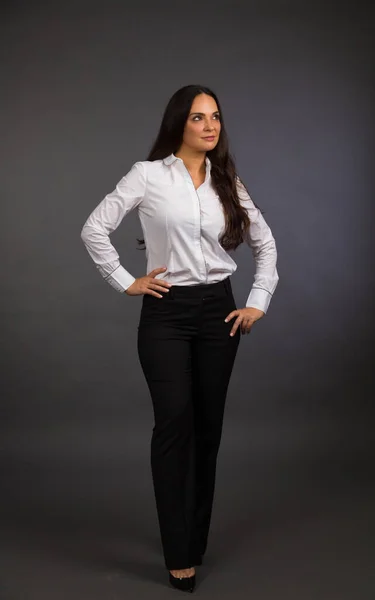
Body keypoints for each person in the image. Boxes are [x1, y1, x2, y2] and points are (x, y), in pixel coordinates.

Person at [80, 84, 279, 593]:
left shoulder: (227, 179)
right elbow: (94, 229)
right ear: (178, 124)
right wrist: (127, 280)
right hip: (166, 313)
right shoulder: (148, 176)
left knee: (207, 430)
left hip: (219, 312)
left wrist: (258, 298)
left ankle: (195, 537)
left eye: (215, 116)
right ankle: (177, 553)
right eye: (197, 117)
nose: (210, 125)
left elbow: (265, 242)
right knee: (174, 426)